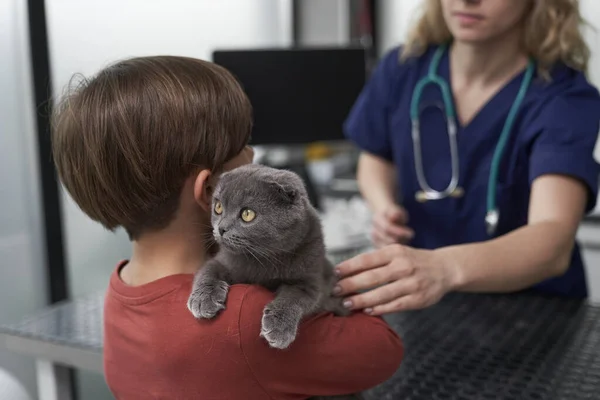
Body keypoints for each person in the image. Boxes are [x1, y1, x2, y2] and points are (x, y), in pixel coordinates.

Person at [51, 56, 403, 399]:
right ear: (209, 191)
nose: (252, 155)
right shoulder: (246, 318)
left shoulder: (120, 290)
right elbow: (383, 351)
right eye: (242, 145)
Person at [335, 0, 600, 316]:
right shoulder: (404, 67)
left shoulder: (563, 98)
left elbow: (553, 241)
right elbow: (375, 156)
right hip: (427, 306)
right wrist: (384, 208)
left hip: (534, 315)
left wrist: (443, 267)